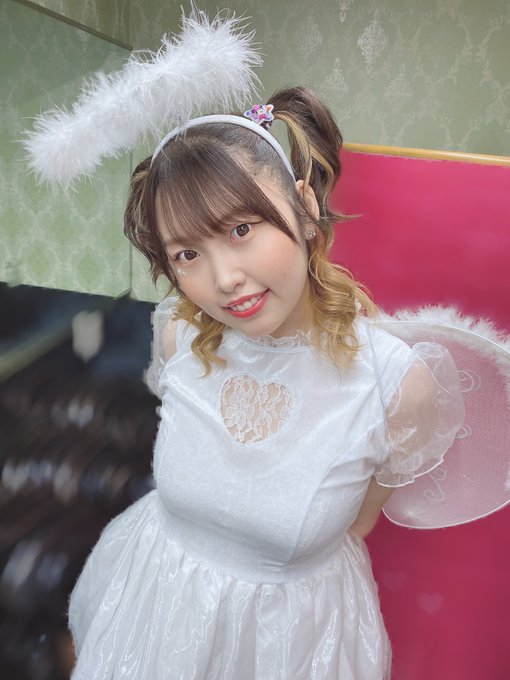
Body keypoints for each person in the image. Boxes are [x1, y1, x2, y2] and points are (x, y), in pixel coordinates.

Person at [23, 11, 508, 680]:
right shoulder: (179, 333)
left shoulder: (394, 384)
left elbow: (357, 523)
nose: (224, 279)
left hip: (292, 642)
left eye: (242, 229)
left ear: (305, 209)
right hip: (155, 604)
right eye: (187, 253)